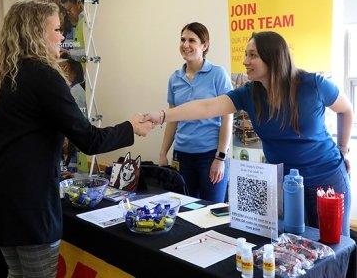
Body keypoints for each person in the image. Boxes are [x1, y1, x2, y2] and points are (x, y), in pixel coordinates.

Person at [0, 0, 153, 278]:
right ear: (36, 32)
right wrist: (131, 127)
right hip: (29, 207)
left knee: (17, 274)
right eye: (56, 29)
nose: (62, 36)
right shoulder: (44, 76)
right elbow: (89, 140)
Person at [143, 31, 353, 236]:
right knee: (296, 244)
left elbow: (346, 110)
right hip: (286, 182)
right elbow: (207, 107)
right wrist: (162, 116)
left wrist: (343, 149)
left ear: (273, 58)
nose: (245, 61)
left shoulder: (313, 84)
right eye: (245, 54)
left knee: (334, 244)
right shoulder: (249, 93)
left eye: (252, 55)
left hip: (327, 178)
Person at [159, 22, 232, 203]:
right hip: (182, 156)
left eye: (192, 40)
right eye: (183, 39)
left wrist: (220, 158)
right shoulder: (174, 78)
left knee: (211, 213)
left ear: (204, 45)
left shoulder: (218, 74)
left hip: (210, 156)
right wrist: (163, 153)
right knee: (184, 211)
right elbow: (172, 120)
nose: (185, 45)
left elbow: (227, 118)